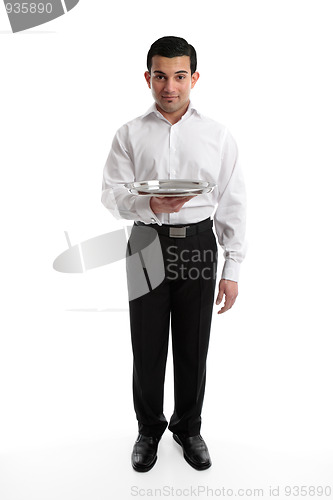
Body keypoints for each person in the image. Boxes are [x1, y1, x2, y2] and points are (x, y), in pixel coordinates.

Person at [101, 36, 246, 472]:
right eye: (160, 76)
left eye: (180, 76)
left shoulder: (217, 135)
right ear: (148, 77)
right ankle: (149, 429)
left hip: (200, 241)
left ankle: (188, 426)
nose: (170, 87)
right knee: (146, 345)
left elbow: (234, 201)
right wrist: (148, 205)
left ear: (194, 78)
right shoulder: (129, 133)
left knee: (192, 342)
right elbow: (111, 195)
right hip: (146, 242)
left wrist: (233, 266)